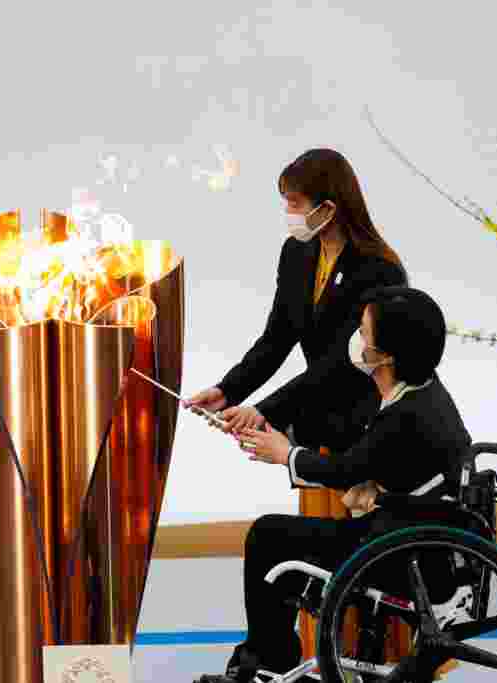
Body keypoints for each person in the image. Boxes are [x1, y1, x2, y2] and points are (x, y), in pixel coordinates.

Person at [195, 286, 471, 683]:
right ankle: (271, 658)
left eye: (363, 332)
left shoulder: (407, 413)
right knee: (282, 537)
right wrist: (273, 427)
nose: (355, 340)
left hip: (396, 551)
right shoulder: (422, 391)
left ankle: (267, 662)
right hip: (413, 538)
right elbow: (358, 446)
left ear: (385, 356)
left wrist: (285, 454)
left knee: (268, 536)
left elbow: (346, 468)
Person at [185, 148, 407, 451]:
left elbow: (343, 363)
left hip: (369, 430)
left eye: (295, 203)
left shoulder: (380, 271)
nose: (289, 213)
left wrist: (265, 411)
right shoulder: (296, 253)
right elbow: (277, 338)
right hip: (318, 426)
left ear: (328, 208)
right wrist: (228, 390)